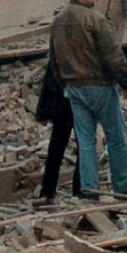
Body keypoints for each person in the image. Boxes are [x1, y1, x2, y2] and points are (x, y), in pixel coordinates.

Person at [49, 0, 127, 198]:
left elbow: (54, 60)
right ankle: (122, 186)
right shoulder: (95, 19)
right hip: (98, 85)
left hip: (73, 88)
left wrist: (65, 84)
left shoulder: (58, 22)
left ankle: (89, 190)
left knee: (86, 142)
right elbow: (113, 55)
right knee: (116, 137)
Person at [33, 59, 81, 206]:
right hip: (76, 102)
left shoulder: (60, 45)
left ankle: (49, 192)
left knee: (57, 149)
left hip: (67, 102)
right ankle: (79, 191)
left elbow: (49, 79)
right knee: (82, 148)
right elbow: (49, 78)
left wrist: (42, 112)